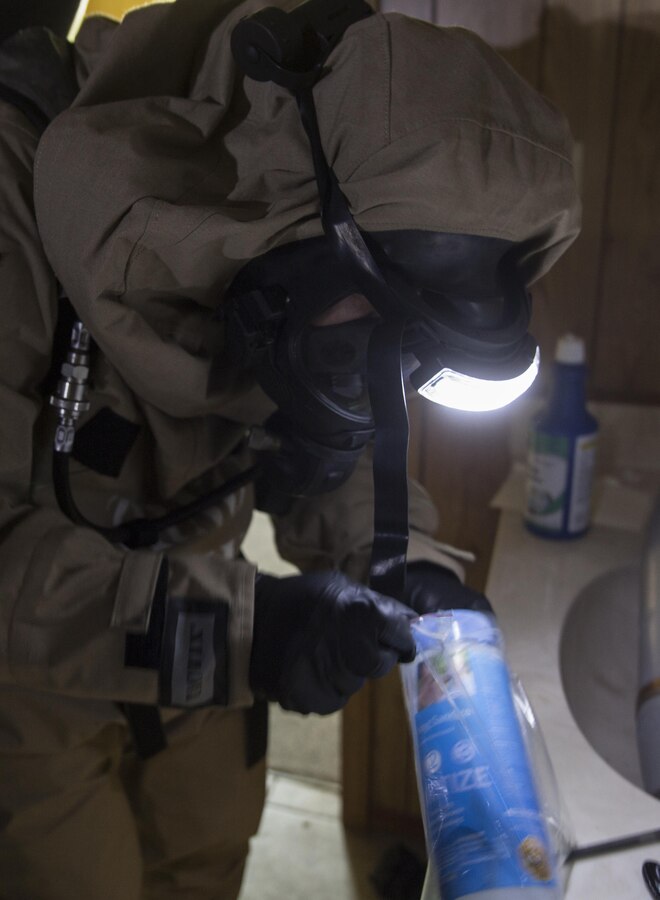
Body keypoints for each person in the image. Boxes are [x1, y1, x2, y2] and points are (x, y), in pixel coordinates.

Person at [0, 1, 580, 897]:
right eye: (385, 345)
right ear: (318, 249)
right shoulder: (33, 199)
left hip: (198, 645)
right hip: (32, 665)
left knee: (205, 854)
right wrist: (252, 630)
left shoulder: (290, 253)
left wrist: (402, 562)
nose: (386, 376)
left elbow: (314, 436)